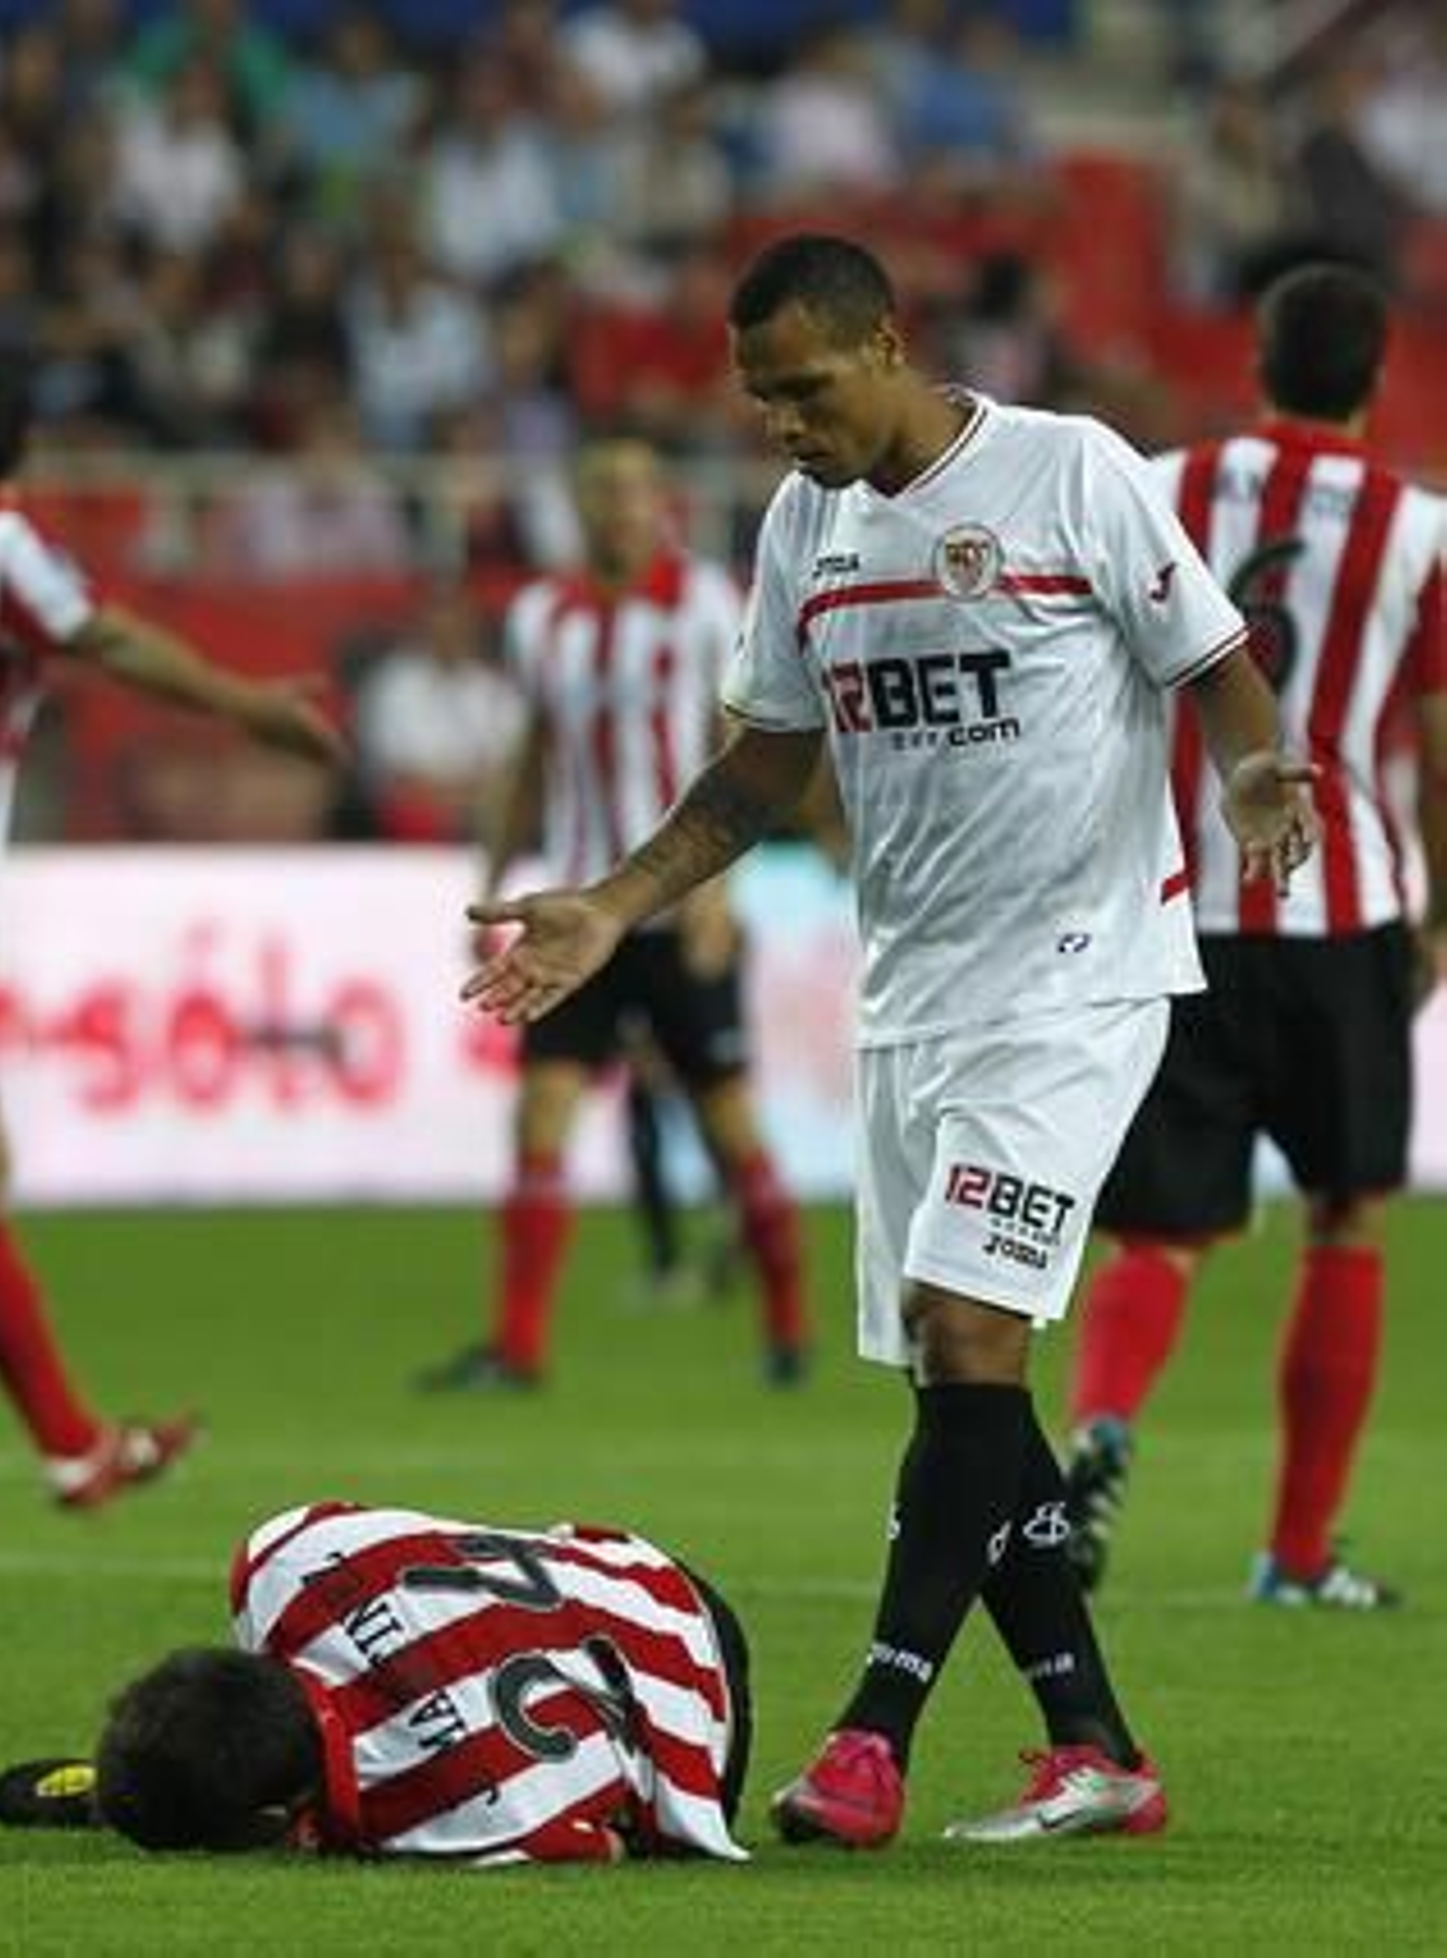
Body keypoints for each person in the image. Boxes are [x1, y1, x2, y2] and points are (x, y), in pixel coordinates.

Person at [461, 235, 1317, 1848]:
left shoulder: (1070, 472)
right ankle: (1095, 1742)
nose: (782, 423)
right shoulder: (805, 529)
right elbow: (762, 767)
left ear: (886, 346)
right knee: (957, 1374)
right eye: (759, 398)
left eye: (804, 387)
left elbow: (1215, 660)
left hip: (1079, 975)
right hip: (911, 992)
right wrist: (616, 905)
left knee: (965, 1328)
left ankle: (871, 1734)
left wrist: (1257, 772)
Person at [0, 340, 343, 1507]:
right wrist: (246, 707)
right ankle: (72, 1442)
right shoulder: (0, 545)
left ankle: (74, 1446)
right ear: (23, 449)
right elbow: (104, 637)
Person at [1063, 263, 1447, 1609]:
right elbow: (1441, 745)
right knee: (1345, 1223)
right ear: (1378, 377)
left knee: (1158, 1236)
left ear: (1258, 361)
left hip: (1179, 915)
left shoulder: (1154, 483)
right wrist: (1440, 916)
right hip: (1345, 911)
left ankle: (1103, 1423)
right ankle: (1295, 1552)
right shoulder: (1418, 527)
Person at [423, 437, 809, 1390]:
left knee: (727, 1120)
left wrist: (721, 891)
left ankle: (788, 1330)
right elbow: (534, 755)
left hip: (679, 910)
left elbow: (741, 750)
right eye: (601, 490)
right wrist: (494, 872)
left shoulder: (711, 606)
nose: (620, 506)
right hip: (576, 916)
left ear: (659, 501)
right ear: (580, 504)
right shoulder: (542, 617)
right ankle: (517, 1348)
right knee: (540, 1117)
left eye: (636, 489)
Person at [0, 1495, 751, 1864]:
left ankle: (167, 1796)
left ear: (277, 1818)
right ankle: (178, 1785)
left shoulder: (461, 1816)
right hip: (622, 1567)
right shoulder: (279, 1561)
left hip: (695, 1699)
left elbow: (603, 1848)